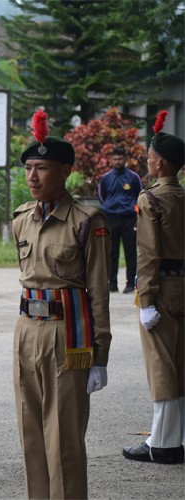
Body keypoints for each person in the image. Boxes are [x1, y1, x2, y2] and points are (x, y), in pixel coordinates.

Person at [12, 109, 111, 499]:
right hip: (27, 331)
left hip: (67, 333)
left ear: (65, 171)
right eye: (28, 168)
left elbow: (99, 291)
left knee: (64, 436)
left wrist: (100, 355)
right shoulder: (21, 218)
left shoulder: (87, 221)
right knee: (31, 430)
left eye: (42, 169)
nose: (32, 177)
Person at [123, 110, 185, 465]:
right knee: (181, 363)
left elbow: (147, 255)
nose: (147, 163)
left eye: (149, 159)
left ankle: (162, 442)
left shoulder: (152, 199)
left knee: (161, 365)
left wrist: (146, 299)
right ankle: (179, 438)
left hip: (162, 288)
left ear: (160, 164)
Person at [98, 146, 142, 293]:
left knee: (130, 253)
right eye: (115, 159)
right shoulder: (105, 178)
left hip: (129, 219)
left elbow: (139, 196)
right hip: (110, 218)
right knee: (111, 253)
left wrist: (134, 212)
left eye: (120, 159)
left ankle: (130, 284)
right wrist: (107, 208)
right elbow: (101, 196)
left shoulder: (133, 177)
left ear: (125, 160)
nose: (117, 162)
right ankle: (112, 283)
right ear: (111, 160)